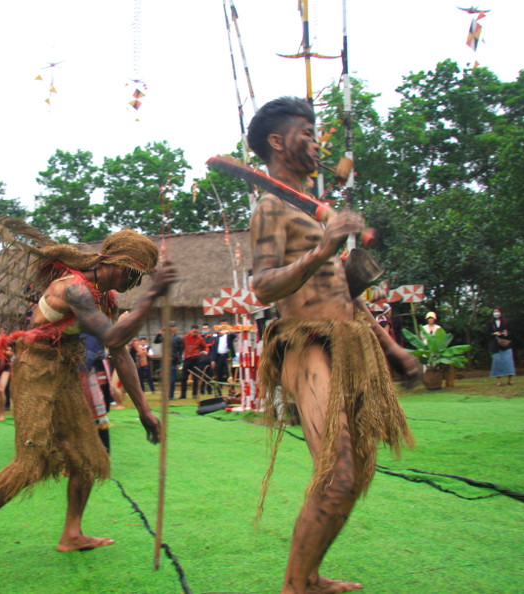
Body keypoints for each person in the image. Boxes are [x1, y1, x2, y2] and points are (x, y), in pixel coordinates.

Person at [247, 96, 419, 593]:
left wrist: (393, 348)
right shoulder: (270, 207)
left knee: (355, 476)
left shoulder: (313, 207)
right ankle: (294, 588)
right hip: (306, 348)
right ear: (278, 142)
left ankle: (308, 577)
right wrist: (324, 246)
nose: (316, 141)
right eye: (306, 131)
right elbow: (262, 285)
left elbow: (343, 293)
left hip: (352, 345)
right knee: (338, 474)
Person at [0, 229, 176, 565]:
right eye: (132, 273)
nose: (134, 283)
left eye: (140, 279)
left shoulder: (107, 297)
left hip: (67, 372)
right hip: (35, 370)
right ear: (113, 262)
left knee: (87, 457)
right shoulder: (73, 289)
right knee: (30, 462)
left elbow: (118, 352)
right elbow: (111, 333)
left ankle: (72, 534)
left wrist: (144, 410)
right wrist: (152, 299)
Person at [153, 321, 183, 399]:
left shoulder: (178, 338)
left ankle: (171, 396)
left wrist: (179, 363)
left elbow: (180, 351)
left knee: (172, 380)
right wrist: (160, 333)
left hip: (173, 361)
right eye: (169, 326)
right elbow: (156, 341)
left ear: (175, 328)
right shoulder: (164, 337)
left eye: (172, 326)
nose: (171, 328)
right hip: (165, 361)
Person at [487, 307, 514, 386]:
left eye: (497, 311)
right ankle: (499, 380)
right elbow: (487, 333)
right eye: (494, 312)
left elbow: (512, 332)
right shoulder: (490, 323)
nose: (496, 313)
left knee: (508, 362)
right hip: (495, 345)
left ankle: (509, 379)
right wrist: (494, 334)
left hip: (506, 345)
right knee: (497, 362)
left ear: (501, 312)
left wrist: (505, 333)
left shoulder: (507, 322)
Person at [179, 325, 207, 399]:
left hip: (196, 358)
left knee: (195, 377)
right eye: (194, 331)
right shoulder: (185, 337)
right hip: (187, 358)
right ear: (191, 330)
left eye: (197, 332)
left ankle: (194, 394)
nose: (195, 333)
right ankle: (183, 394)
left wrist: (204, 351)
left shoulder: (200, 338)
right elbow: (181, 347)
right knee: (183, 377)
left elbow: (205, 346)